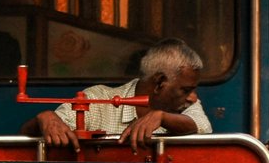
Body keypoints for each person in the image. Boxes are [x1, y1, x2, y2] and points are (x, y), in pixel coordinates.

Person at [20, 38, 212, 152]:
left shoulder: (187, 105)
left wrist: (161, 117)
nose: (193, 97)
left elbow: (203, 128)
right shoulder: (97, 99)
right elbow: (50, 128)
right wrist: (44, 118)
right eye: (185, 90)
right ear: (160, 82)